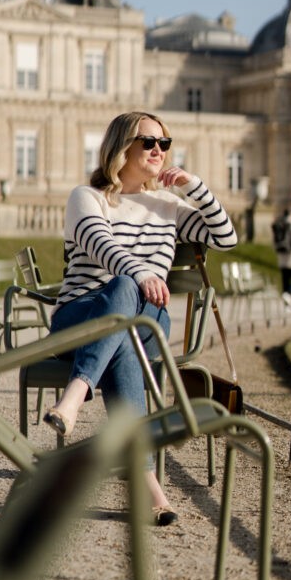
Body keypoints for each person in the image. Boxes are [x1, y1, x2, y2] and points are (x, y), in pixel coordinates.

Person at [43, 110, 238, 526]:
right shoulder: (87, 197)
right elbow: (99, 244)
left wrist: (194, 188)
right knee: (124, 305)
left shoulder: (168, 205)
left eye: (164, 143)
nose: (158, 150)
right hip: (79, 320)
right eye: (147, 141)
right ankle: (148, 485)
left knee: (128, 307)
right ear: (121, 147)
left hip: (148, 322)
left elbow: (226, 238)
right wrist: (141, 272)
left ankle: (76, 395)